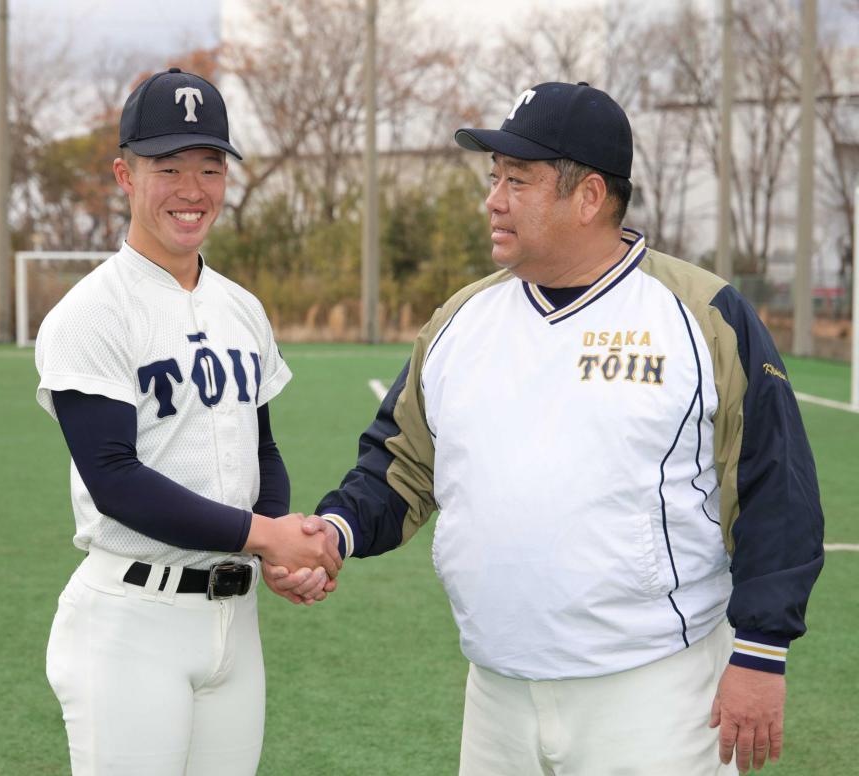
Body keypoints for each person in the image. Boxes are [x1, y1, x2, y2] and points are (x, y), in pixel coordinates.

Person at [265, 81, 824, 775]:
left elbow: (777, 489)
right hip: (495, 693)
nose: (492, 199)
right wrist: (333, 532)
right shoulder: (459, 320)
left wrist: (762, 653)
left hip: (654, 693)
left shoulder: (705, 315)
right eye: (494, 178)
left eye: (517, 182)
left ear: (589, 196)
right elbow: (399, 467)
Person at [35, 67, 341, 776]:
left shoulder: (242, 307)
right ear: (124, 175)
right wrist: (270, 534)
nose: (192, 190)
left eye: (210, 167)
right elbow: (116, 480)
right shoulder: (91, 313)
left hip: (234, 624)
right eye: (167, 168)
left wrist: (272, 550)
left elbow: (260, 447)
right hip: (131, 623)